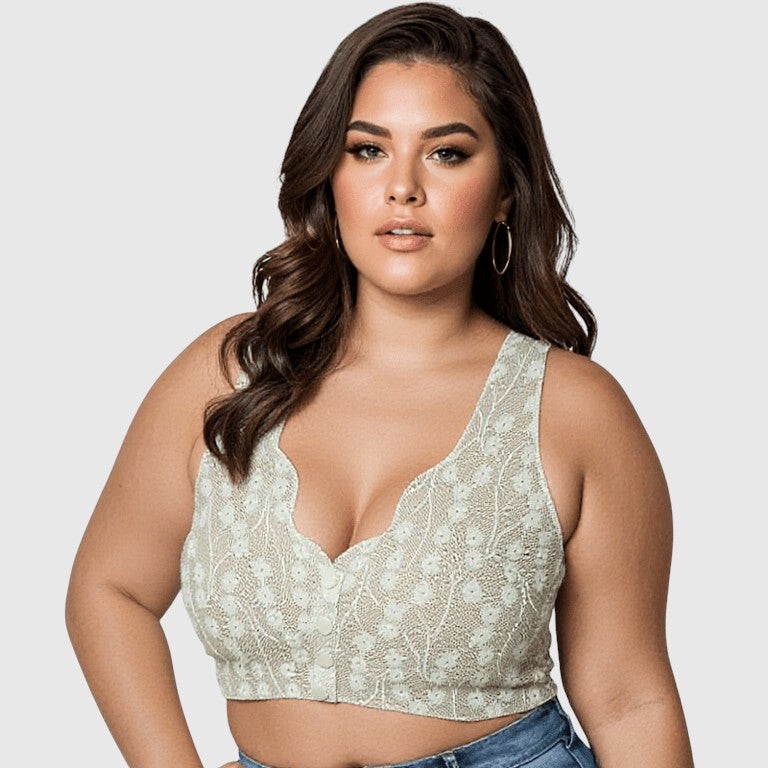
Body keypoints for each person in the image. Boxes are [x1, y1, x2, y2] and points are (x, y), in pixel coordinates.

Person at [65, 3, 694, 767]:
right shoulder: (231, 371)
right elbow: (111, 589)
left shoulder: (573, 409)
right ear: (328, 175)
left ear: (504, 190)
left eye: (447, 154)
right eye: (367, 150)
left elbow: (629, 697)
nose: (402, 187)